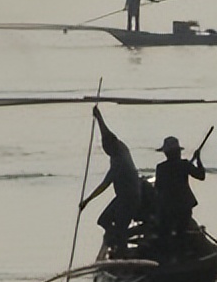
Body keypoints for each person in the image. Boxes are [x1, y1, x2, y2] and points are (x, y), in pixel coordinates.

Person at [78, 106, 142, 254]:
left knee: (120, 227)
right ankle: (116, 238)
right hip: (123, 197)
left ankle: (122, 249)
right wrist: (99, 118)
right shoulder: (121, 148)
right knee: (103, 220)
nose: (105, 150)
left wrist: (86, 201)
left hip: (129, 199)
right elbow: (107, 135)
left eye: (106, 149)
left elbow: (104, 185)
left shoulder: (119, 162)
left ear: (112, 148)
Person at [153, 134, 205, 244]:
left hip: (168, 208)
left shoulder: (161, 168)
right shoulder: (184, 165)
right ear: (177, 152)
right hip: (184, 206)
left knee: (166, 233)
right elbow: (201, 175)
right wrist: (198, 159)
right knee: (182, 233)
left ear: (166, 153)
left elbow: (158, 187)